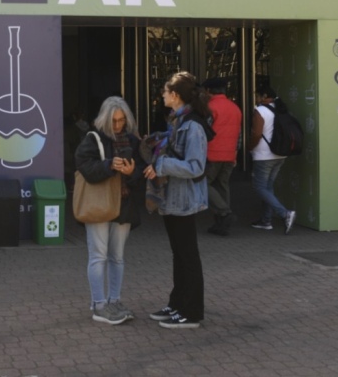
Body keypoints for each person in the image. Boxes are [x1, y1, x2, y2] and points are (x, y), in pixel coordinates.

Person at [143, 72, 210, 329]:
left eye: (165, 91)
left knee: (187, 255)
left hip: (184, 200)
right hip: (173, 200)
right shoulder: (177, 122)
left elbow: (195, 166)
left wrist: (162, 164)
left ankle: (191, 312)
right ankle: (177, 303)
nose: (162, 95)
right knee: (179, 254)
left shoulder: (192, 126)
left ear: (176, 95)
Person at [74, 96, 144, 325]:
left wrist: (131, 172)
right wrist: (108, 165)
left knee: (118, 257)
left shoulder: (133, 141)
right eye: (114, 121)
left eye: (122, 120)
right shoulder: (93, 139)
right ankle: (99, 305)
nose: (118, 126)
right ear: (105, 119)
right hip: (99, 205)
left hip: (123, 205)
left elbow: (140, 174)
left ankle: (114, 301)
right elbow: (84, 167)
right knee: (98, 256)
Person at [249, 84, 296, 234]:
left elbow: (256, 134)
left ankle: (285, 214)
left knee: (259, 187)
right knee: (268, 187)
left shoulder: (260, 111)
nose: (255, 98)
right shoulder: (280, 109)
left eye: (257, 95)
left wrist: (249, 147)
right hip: (280, 154)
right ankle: (266, 220)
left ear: (263, 96)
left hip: (263, 155)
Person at [201, 77, 242, 236]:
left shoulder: (210, 107)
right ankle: (221, 224)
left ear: (209, 91)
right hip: (229, 154)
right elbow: (239, 134)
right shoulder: (234, 107)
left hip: (212, 153)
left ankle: (225, 213)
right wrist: (236, 152)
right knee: (222, 186)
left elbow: (204, 131)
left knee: (203, 183)